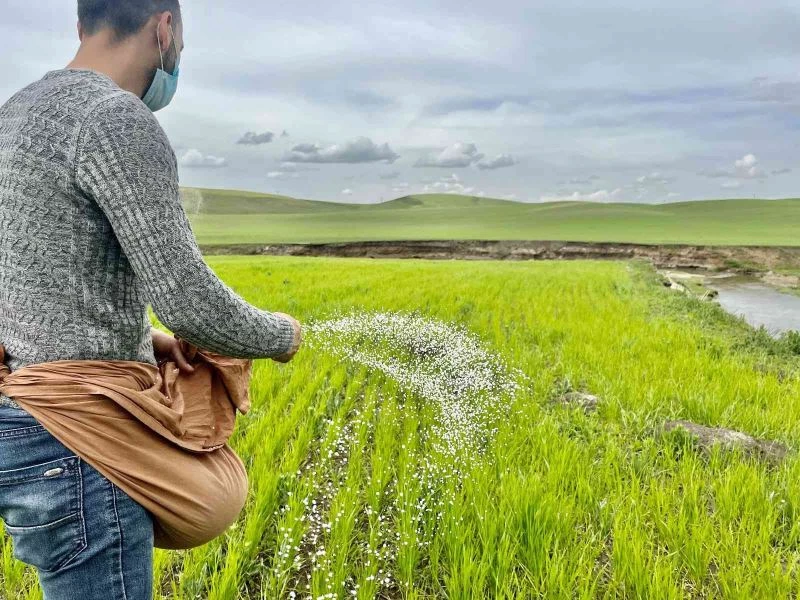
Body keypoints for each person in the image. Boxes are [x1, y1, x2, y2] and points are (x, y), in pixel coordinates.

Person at [0, 1, 302, 598]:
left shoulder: (14, 114)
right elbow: (186, 297)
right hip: (82, 441)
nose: (179, 58)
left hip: (21, 425)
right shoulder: (115, 120)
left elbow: (35, 278)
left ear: (81, 25)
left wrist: (145, 340)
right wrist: (281, 336)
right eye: (181, 44)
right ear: (164, 28)